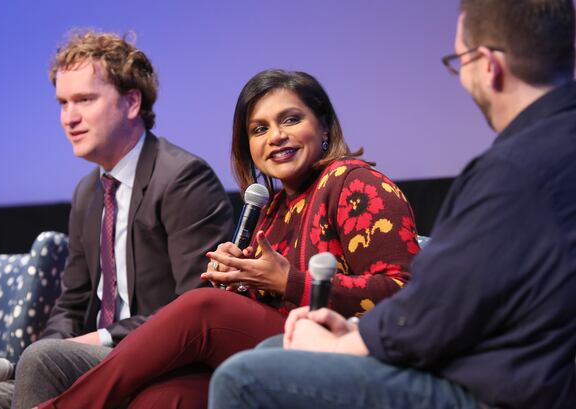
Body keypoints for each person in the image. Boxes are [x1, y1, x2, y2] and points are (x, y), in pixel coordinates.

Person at [208, 1, 576, 409]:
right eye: (259, 129)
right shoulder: (554, 149)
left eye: (459, 61)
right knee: (264, 356)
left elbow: (432, 304)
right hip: (518, 373)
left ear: (487, 65)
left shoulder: (512, 170)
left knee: (243, 379)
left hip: (494, 390)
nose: (276, 136)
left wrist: (348, 343)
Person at [32, 69, 419, 409]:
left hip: (346, 351)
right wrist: (238, 280)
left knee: (204, 309)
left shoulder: (355, 183)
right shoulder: (272, 207)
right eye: (259, 129)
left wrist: (287, 281)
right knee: (166, 398)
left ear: (323, 125)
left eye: (291, 119)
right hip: (275, 350)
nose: (277, 136)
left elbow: (405, 292)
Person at [0, 30, 234, 409]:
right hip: (98, 356)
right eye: (62, 103)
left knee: (43, 362)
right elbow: (72, 303)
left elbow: (198, 304)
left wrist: (95, 340)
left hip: (160, 358)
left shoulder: (182, 178)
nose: (68, 118)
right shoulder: (87, 192)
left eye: (84, 100)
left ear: (132, 102)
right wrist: (50, 345)